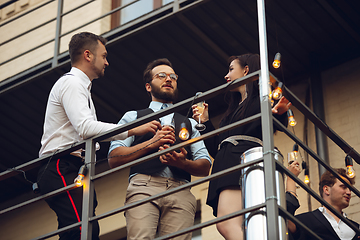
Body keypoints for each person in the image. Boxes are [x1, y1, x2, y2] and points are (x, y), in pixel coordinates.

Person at [37, 32, 160, 240]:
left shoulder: (80, 87)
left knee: (82, 230)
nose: (107, 62)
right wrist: (133, 129)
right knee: (82, 231)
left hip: (75, 168)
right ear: (88, 55)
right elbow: (85, 128)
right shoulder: (72, 83)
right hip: (61, 165)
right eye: (104, 56)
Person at [108, 58, 212, 240]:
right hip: (143, 185)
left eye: (173, 76)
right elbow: (114, 158)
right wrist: (151, 144)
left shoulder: (191, 123)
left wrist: (183, 163)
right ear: (148, 86)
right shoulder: (133, 116)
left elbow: (205, 166)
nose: (169, 79)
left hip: (181, 189)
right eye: (161, 76)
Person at [192, 53, 291, 239]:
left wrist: (277, 113)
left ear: (246, 70)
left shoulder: (261, 97)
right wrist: (205, 122)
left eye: (231, 69)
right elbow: (218, 149)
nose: (226, 75)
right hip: (228, 165)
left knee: (228, 224)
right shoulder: (232, 112)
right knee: (237, 225)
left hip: (241, 163)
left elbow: (274, 113)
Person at [292, 168, 359, 240]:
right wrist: (291, 178)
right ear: (326, 190)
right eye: (344, 187)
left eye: (350, 189)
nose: (349, 192)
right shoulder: (305, 221)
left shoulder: (356, 228)